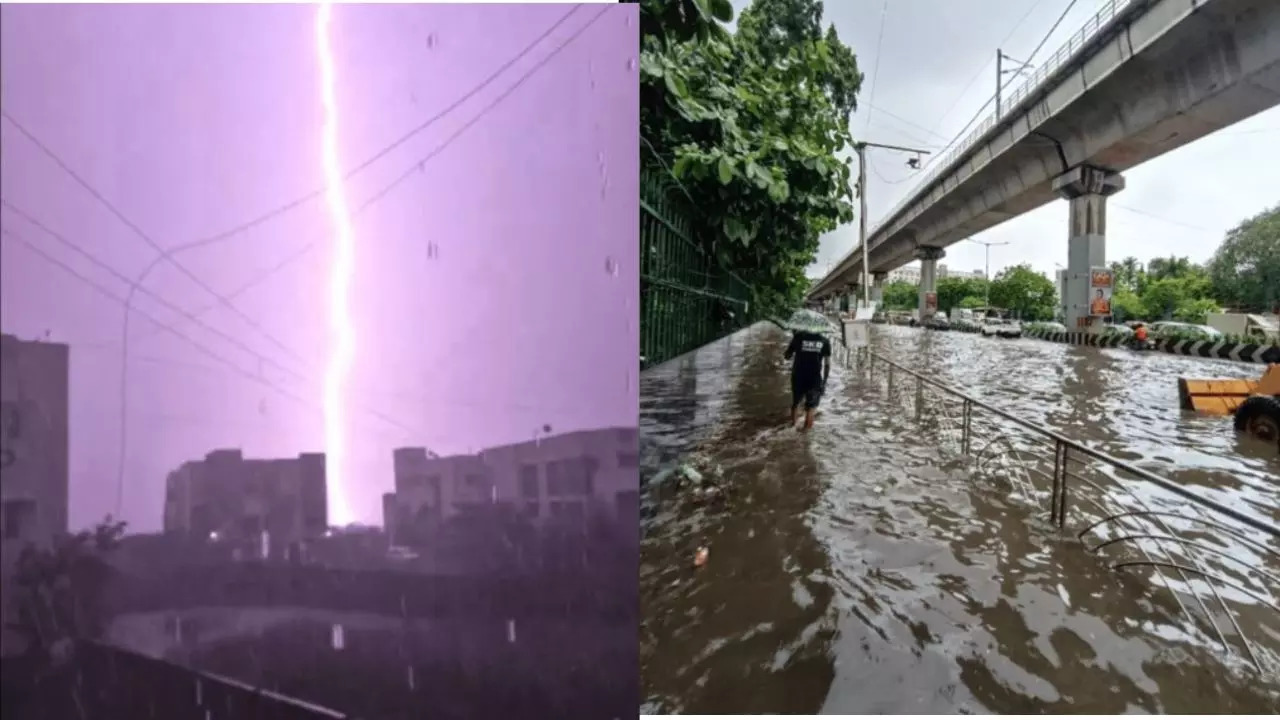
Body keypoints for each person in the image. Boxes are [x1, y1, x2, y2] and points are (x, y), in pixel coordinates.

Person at [784, 328, 831, 432]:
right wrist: (824, 382)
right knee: (811, 407)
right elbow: (827, 365)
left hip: (798, 376)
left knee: (796, 402)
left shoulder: (798, 337)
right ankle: (805, 437)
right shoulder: (825, 341)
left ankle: (793, 428)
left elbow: (787, 356)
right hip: (814, 378)